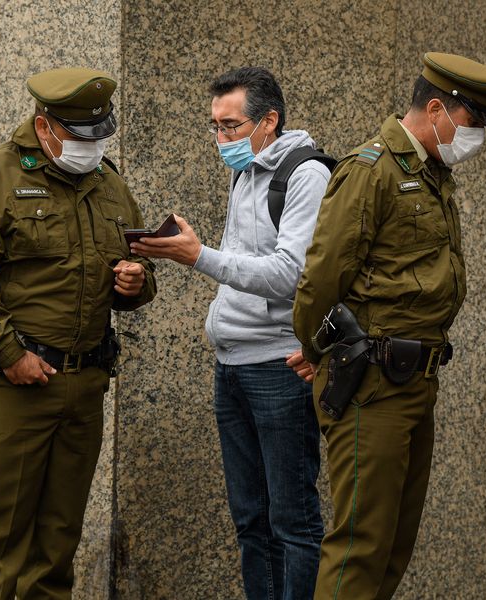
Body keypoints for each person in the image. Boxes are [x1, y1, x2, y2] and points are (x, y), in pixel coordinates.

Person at [292, 52, 486, 599]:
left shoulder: (431, 172)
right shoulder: (373, 170)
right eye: (472, 122)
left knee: (394, 542)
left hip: (417, 377)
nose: (476, 137)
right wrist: (317, 348)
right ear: (438, 108)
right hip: (371, 380)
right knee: (360, 543)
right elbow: (322, 278)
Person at [0, 67, 157, 599]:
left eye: (102, 135)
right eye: (82, 136)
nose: (93, 146)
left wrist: (134, 282)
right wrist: (11, 354)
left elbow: (139, 267)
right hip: (11, 384)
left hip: (84, 386)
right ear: (46, 126)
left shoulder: (108, 183)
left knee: (56, 545)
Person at [131, 66, 329, 600]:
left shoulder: (306, 175)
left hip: (279, 368)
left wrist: (197, 256)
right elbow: (244, 261)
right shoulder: (246, 173)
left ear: (269, 121)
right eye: (214, 127)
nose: (221, 140)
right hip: (232, 367)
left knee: (293, 521)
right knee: (250, 521)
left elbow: (290, 274)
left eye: (231, 127)